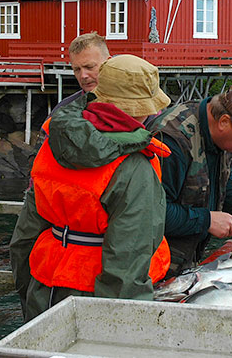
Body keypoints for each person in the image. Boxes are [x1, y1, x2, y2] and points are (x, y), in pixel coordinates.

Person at [23, 55, 173, 320]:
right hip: (96, 297)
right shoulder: (133, 166)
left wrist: (28, 289)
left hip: (44, 289)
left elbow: (26, 234)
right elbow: (127, 264)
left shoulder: (52, 145)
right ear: (142, 108)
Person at [8, 32, 109, 318]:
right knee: (21, 252)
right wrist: (34, 193)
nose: (84, 75)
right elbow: (41, 159)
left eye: (90, 66)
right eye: (76, 69)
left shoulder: (128, 107)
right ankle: (32, 316)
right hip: (47, 198)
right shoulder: (64, 109)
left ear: (108, 61)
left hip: (93, 208)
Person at [147, 82, 232, 277]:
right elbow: (150, 214)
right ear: (224, 122)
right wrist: (207, 220)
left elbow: (224, 180)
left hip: (182, 263)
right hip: (153, 267)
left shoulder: (218, 135)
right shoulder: (171, 141)